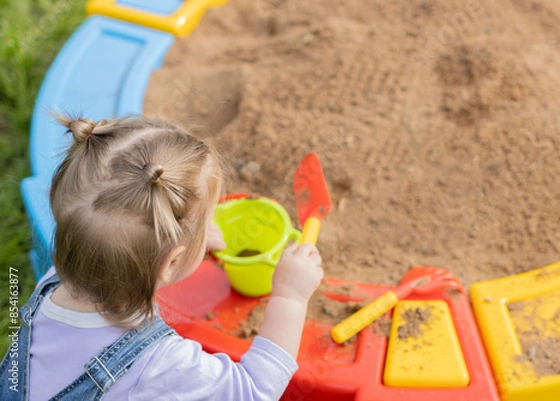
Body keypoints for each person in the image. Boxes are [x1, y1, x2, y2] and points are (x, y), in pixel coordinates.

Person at [0, 116, 324, 400]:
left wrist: (192, 241)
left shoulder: (55, 279)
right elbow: (254, 389)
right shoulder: (159, 366)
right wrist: (290, 296)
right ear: (170, 263)